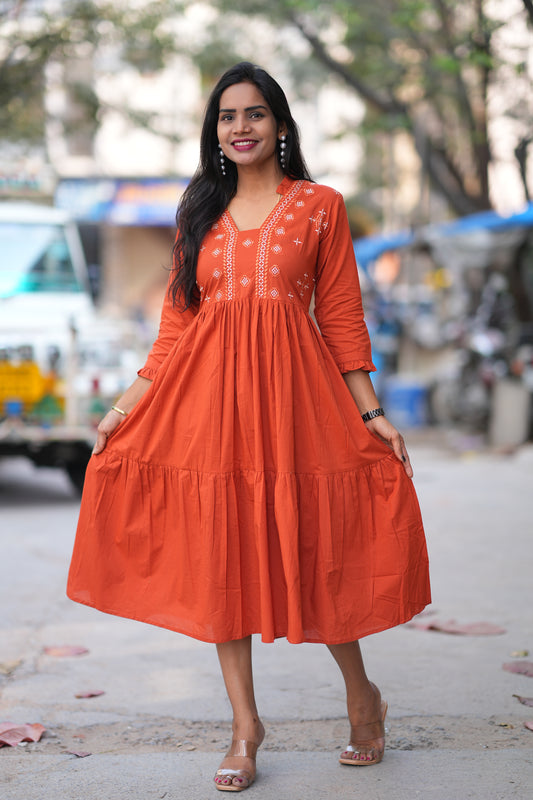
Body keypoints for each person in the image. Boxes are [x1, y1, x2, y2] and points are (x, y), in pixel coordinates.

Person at [67, 61, 430, 792]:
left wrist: (373, 413)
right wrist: (118, 414)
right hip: (210, 412)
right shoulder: (196, 214)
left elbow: (338, 318)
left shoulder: (320, 206)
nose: (240, 127)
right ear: (215, 131)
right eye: (228, 116)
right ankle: (245, 727)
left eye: (254, 114)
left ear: (281, 125)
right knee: (221, 560)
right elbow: (174, 331)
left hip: (298, 407)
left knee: (316, 545)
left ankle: (362, 699)